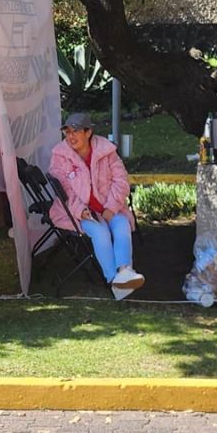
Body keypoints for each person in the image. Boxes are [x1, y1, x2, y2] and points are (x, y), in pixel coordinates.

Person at [48, 112, 143, 300]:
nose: (71, 137)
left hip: (108, 207)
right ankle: (114, 280)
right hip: (76, 213)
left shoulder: (107, 152)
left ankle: (125, 271)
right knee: (101, 232)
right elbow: (64, 192)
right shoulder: (60, 155)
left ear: (88, 132)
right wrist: (81, 211)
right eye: (67, 132)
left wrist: (111, 208)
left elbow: (121, 181)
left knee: (122, 224)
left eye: (75, 131)